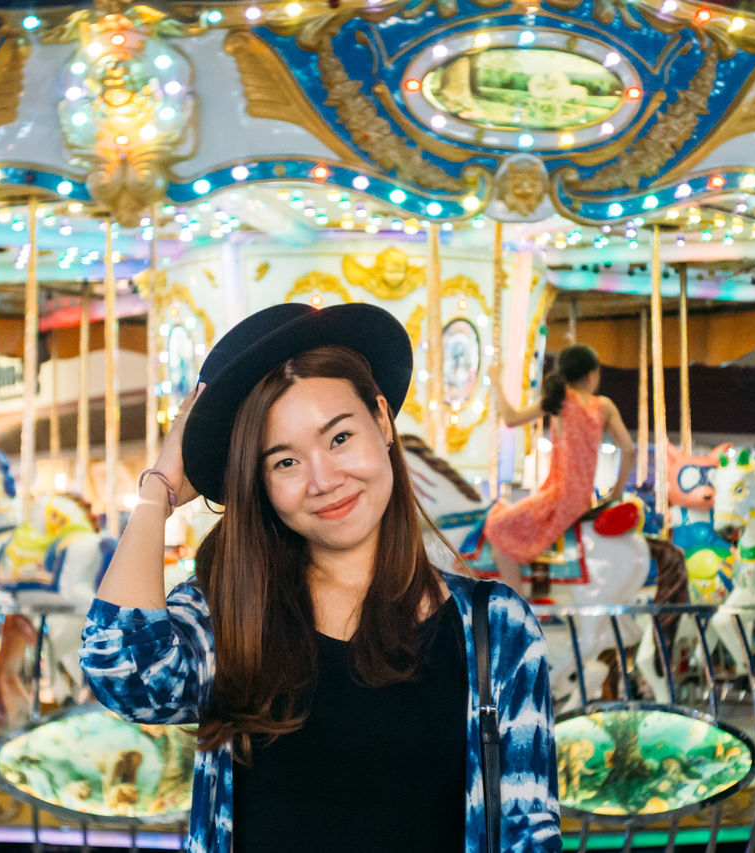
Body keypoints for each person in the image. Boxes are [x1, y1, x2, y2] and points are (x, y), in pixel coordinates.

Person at [80, 302, 561, 853]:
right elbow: (121, 670)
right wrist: (159, 488)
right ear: (260, 482)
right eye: (285, 462)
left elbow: (530, 831)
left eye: (338, 439)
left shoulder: (496, 629)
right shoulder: (232, 614)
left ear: (381, 421)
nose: (324, 480)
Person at [483, 344, 635, 591]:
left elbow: (511, 418)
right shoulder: (604, 405)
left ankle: (518, 603)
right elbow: (628, 449)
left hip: (559, 498)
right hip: (584, 499)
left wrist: (496, 381)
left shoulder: (561, 400)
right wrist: (616, 493)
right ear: (591, 375)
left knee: (496, 525)